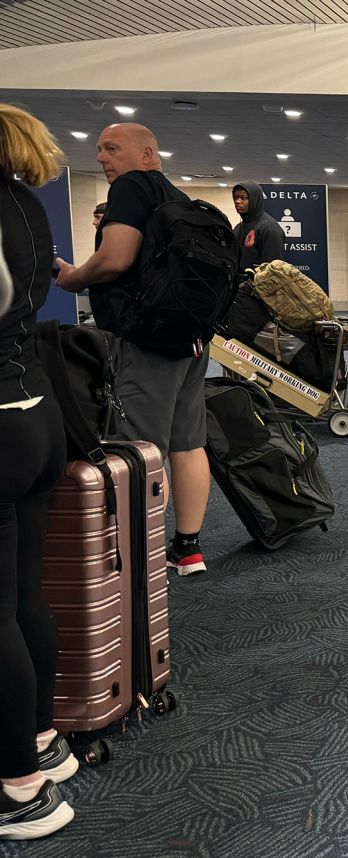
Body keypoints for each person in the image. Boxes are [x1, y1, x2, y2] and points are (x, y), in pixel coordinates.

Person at [54, 123, 212, 577]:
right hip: (191, 338)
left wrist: (73, 277)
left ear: (146, 154)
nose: (102, 158)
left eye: (111, 148)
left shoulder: (131, 187)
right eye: (99, 149)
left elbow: (116, 257)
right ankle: (188, 549)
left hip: (147, 339)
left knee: (140, 447)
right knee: (188, 442)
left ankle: (138, 556)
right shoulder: (176, 197)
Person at [0, 103, 78, 841]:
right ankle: (44, 743)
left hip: (1, 420)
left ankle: (17, 786)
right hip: (37, 412)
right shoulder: (25, 203)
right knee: (25, 592)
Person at [231, 181, 286, 270]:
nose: (237, 201)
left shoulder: (269, 228)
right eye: (235, 198)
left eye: (243, 198)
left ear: (254, 199)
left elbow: (272, 269)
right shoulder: (239, 227)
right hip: (238, 282)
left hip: (259, 282)